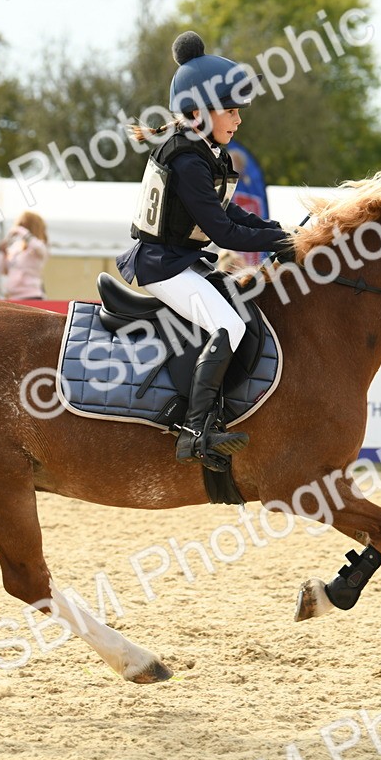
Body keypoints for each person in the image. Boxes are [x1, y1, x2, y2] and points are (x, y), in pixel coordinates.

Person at [117, 31, 292, 468]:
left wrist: (281, 231)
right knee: (228, 327)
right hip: (161, 266)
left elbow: (235, 217)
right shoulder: (188, 160)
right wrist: (278, 241)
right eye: (230, 110)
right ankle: (195, 431)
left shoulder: (205, 152)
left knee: (240, 310)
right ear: (198, 112)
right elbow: (224, 232)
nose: (238, 119)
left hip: (180, 262)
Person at [1, 211, 49, 301]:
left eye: (23, 225)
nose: (20, 227)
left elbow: (38, 247)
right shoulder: (17, 247)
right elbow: (4, 270)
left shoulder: (39, 246)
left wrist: (20, 231)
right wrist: (3, 253)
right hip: (13, 297)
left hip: (32, 296)